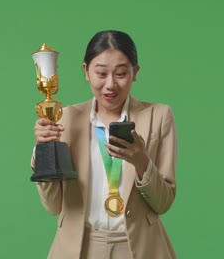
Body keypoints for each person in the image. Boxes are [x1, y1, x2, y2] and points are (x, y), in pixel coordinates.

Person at [31, 30, 177, 259]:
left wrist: (142, 163)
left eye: (120, 73)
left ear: (135, 72)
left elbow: (163, 202)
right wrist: (42, 149)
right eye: (101, 73)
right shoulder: (64, 119)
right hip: (79, 247)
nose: (110, 85)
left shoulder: (158, 116)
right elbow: (53, 205)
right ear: (86, 71)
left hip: (138, 247)